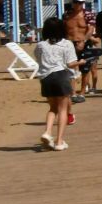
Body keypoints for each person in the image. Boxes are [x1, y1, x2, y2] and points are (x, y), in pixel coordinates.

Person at [34, 16, 79, 151]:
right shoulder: (66, 44)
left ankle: (48, 132)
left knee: (52, 108)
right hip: (61, 76)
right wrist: (81, 62)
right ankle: (59, 141)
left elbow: (38, 58)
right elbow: (70, 64)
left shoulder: (41, 45)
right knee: (62, 110)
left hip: (46, 78)